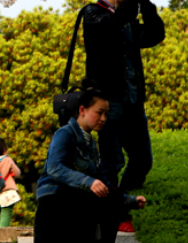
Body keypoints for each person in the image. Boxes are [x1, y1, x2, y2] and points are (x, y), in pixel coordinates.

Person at [83, 0, 165, 235]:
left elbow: (155, 35)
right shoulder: (93, 14)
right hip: (109, 102)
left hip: (133, 102)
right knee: (111, 163)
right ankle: (112, 216)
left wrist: (146, 4)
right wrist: (133, 0)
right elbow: (110, 26)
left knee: (142, 160)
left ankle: (122, 200)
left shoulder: (127, 19)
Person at [34, 82, 146, 243]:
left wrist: (130, 201)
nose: (103, 119)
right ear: (82, 110)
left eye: (106, 114)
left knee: (109, 197)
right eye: (99, 113)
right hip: (55, 201)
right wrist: (88, 182)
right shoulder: (65, 134)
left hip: (78, 202)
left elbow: (102, 182)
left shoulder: (91, 144)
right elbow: (54, 168)